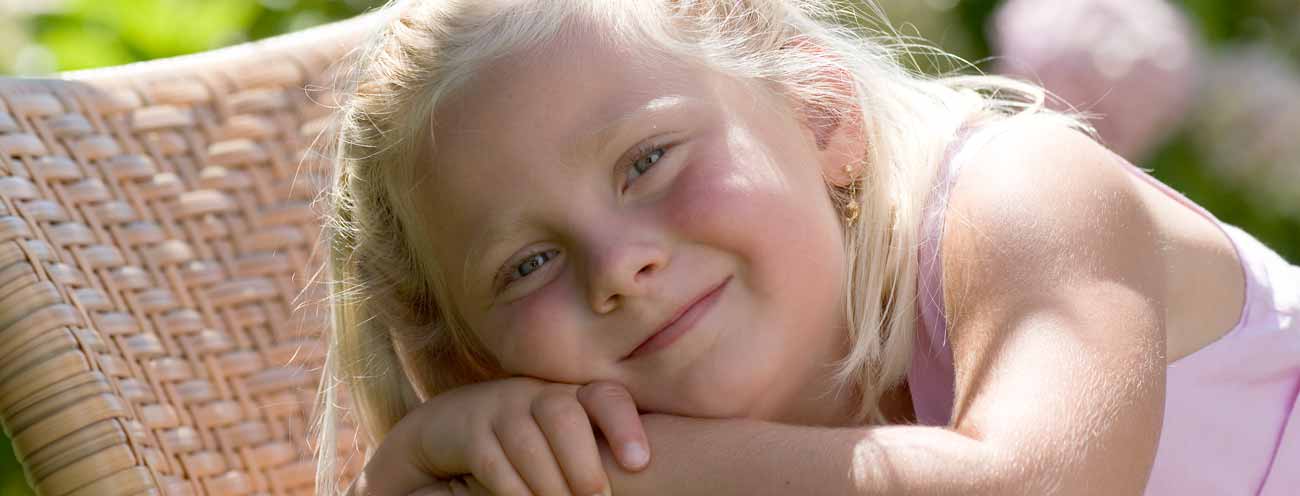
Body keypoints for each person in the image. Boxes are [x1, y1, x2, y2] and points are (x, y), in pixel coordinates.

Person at [315, 1, 1300, 495]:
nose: (615, 266)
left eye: (647, 159)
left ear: (817, 110)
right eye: (523, 265)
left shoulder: (1021, 195)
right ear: (470, 360)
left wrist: (620, 472)